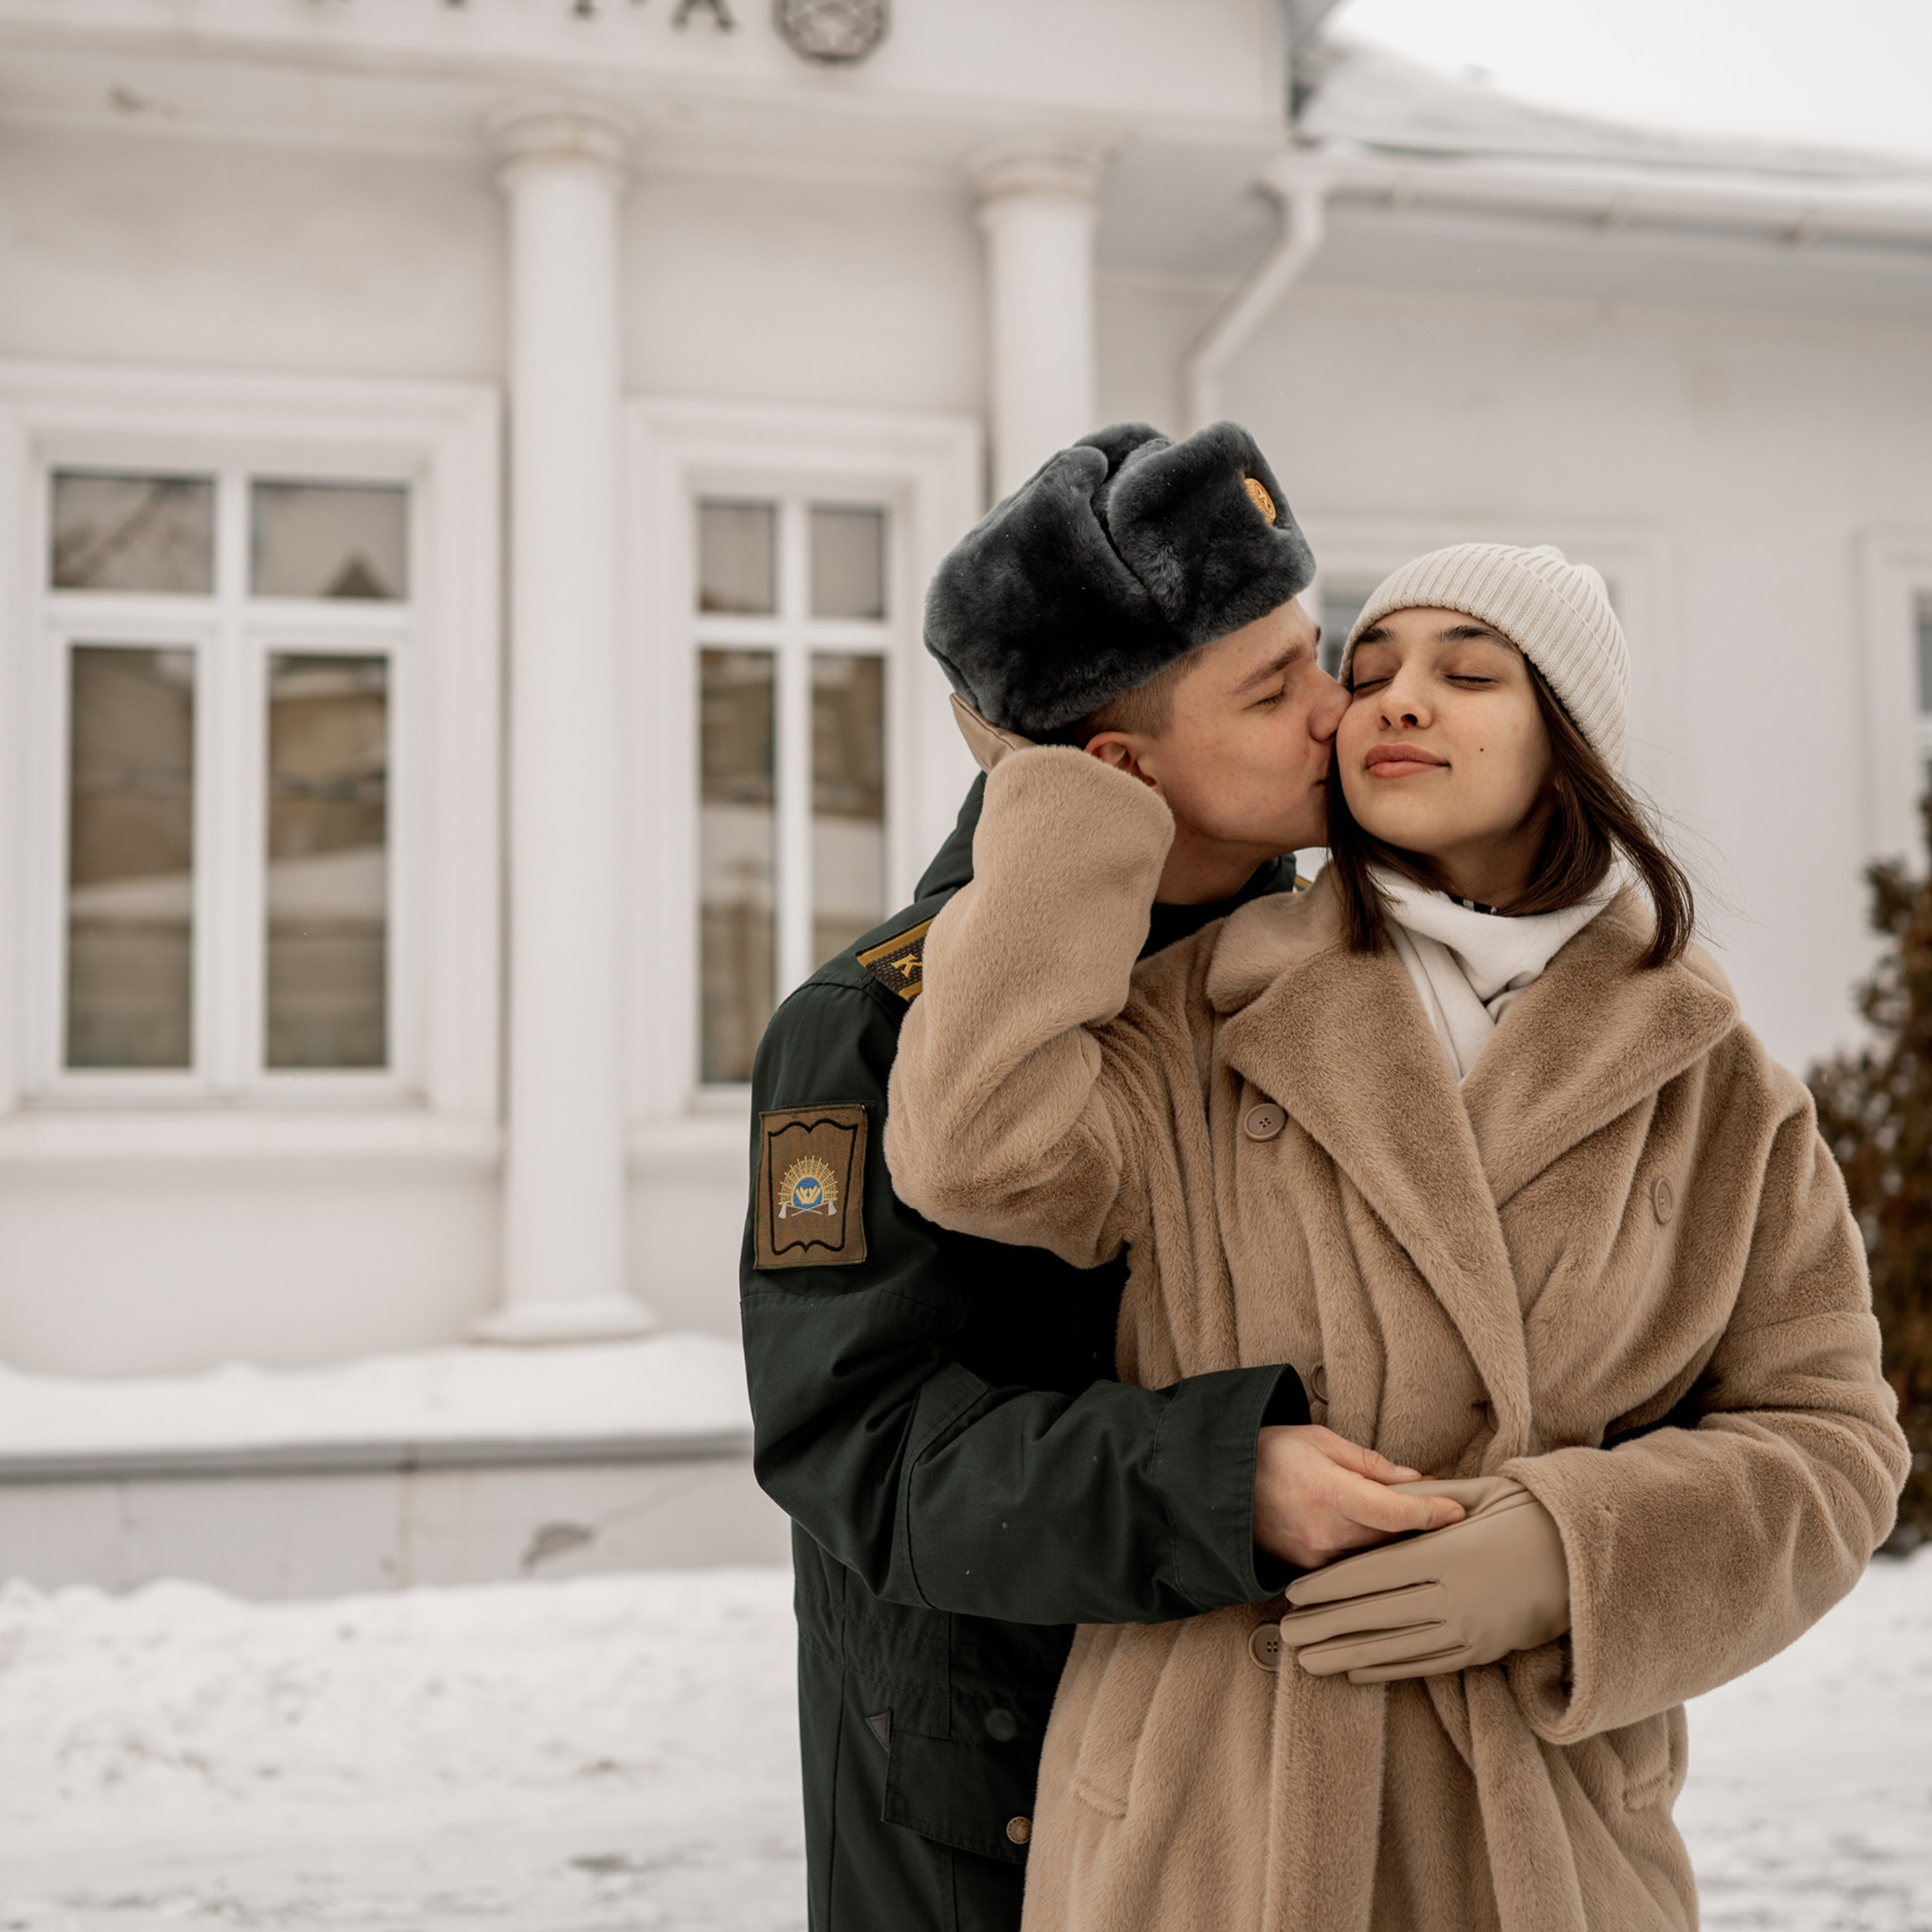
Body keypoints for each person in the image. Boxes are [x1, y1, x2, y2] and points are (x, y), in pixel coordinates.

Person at [884, 541, 1910, 1932]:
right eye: (1367, 675)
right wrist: (1069, 793)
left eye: (1465, 672)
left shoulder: (1713, 1083)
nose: (1394, 700)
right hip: (1213, 1824)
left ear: (1573, 741)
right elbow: (975, 1152)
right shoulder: (1198, 1010)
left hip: (1540, 1832)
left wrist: (1575, 1558)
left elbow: (1834, 1440)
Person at [741, 423, 1466, 1932]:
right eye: (1272, 690)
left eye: (1313, 651)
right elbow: (860, 1445)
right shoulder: (870, 1027)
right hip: (987, 1808)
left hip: (1296, 1766)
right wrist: (1222, 1478)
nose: (1339, 710)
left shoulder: (1360, 969)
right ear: (1119, 768)